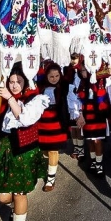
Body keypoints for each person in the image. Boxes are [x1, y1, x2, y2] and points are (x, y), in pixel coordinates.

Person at [0, 65, 49, 221]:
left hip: (24, 153)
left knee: (20, 193)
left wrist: (10, 98)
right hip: (4, 152)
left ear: (25, 82)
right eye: (11, 82)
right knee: (3, 197)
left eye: (18, 82)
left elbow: (24, 118)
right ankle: (16, 209)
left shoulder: (34, 100)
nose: (14, 85)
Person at [68, 66, 109, 175]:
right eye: (81, 71)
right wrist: (80, 114)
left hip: (98, 115)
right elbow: (78, 100)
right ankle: (93, 160)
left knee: (97, 140)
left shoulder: (100, 80)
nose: (83, 72)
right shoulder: (81, 83)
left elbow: (105, 95)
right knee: (90, 140)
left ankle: (99, 164)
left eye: (85, 70)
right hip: (86, 115)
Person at [36, 62, 70, 192]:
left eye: (57, 76)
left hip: (57, 122)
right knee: (45, 150)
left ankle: (50, 179)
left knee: (53, 150)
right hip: (43, 122)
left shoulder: (64, 86)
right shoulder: (41, 87)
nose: (54, 79)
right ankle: (48, 166)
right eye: (51, 76)